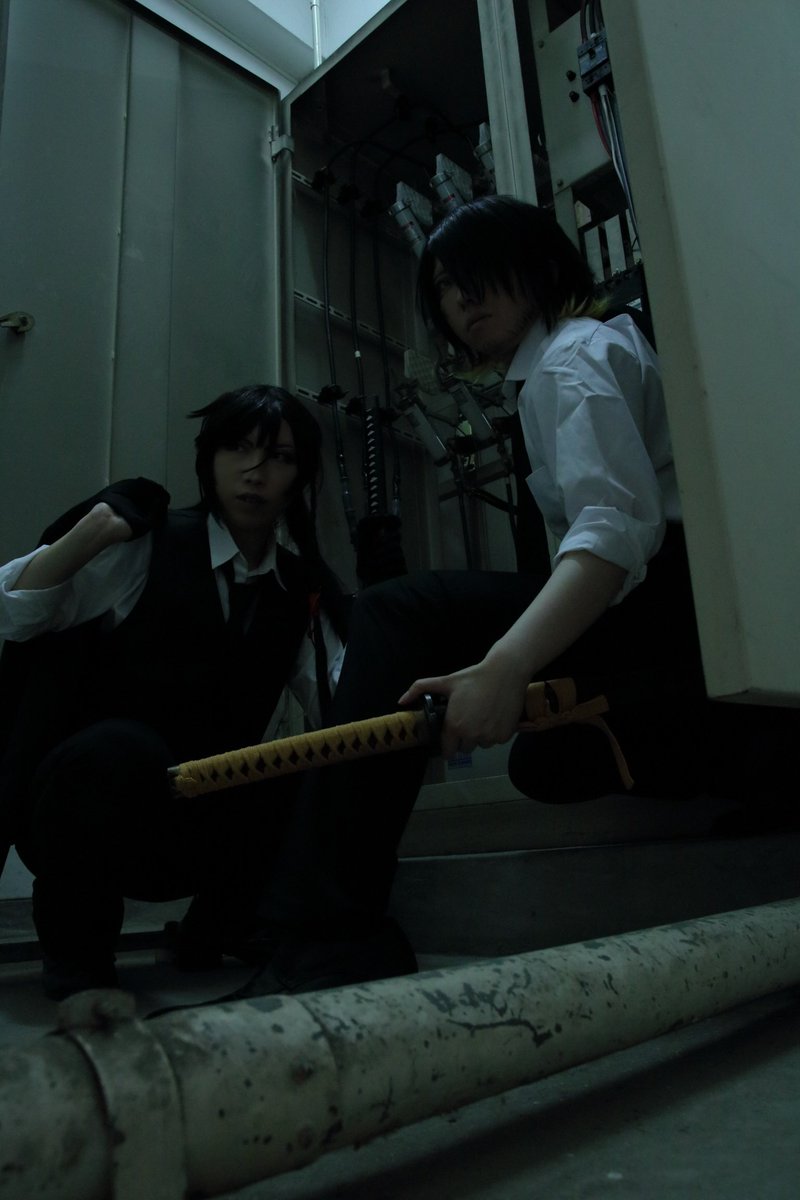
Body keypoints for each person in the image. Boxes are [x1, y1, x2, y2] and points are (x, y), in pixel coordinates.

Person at [239, 195, 718, 996]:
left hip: (664, 611)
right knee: (545, 765)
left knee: (397, 612)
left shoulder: (570, 361)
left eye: (476, 274)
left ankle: (327, 931)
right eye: (444, 287)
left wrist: (506, 664)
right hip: (672, 612)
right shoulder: (575, 355)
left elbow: (612, 534)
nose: (461, 300)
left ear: (539, 264)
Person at [0, 384, 351, 999]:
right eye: (237, 448)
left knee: (307, 765)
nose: (255, 471)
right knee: (117, 747)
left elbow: (341, 699)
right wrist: (90, 532)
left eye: (279, 457)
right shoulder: (150, 544)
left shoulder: (301, 589)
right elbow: (14, 616)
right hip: (88, 813)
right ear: (208, 459)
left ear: (299, 477)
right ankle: (79, 961)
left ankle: (221, 926)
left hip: (199, 824)